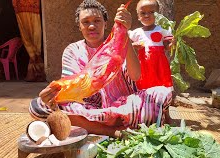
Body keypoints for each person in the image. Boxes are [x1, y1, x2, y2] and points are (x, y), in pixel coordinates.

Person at [29, 0, 172, 138]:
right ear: (79, 26)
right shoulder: (72, 50)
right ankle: (112, 130)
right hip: (89, 109)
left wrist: (124, 32)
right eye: (86, 22)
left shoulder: (119, 44)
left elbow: (135, 76)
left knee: (162, 94)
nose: (92, 26)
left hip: (125, 106)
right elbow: (70, 91)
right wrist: (51, 97)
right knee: (38, 106)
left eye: (97, 21)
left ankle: (97, 126)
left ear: (105, 23)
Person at [129, 0, 173, 90]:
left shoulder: (162, 30)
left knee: (160, 86)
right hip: (143, 64)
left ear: (158, 15)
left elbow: (167, 47)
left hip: (159, 64)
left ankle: (159, 102)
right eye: (143, 13)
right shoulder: (136, 33)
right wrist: (134, 45)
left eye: (151, 12)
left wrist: (173, 44)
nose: (147, 15)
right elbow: (127, 46)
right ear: (138, 16)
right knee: (143, 85)